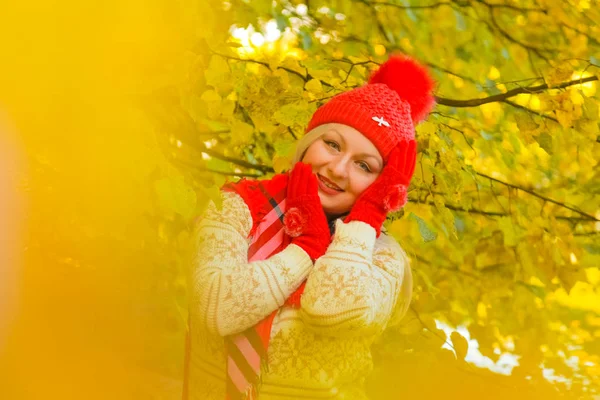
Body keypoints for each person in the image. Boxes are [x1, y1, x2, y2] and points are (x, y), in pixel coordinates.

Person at [184, 54, 435, 400]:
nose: (338, 169)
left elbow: (332, 309)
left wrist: (368, 215)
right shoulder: (239, 206)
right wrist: (305, 250)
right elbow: (216, 311)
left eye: (364, 165)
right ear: (309, 140)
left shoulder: (383, 258)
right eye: (332, 144)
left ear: (382, 183)